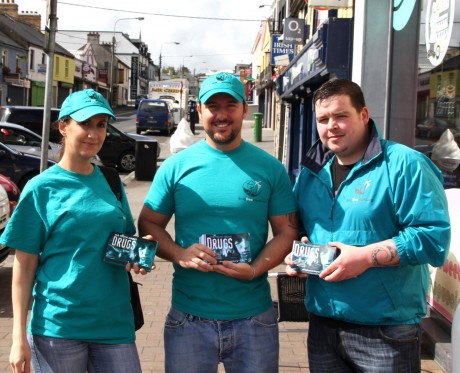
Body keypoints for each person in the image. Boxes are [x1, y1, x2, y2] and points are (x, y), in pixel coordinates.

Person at [285, 78, 451, 372]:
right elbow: (301, 233)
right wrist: (298, 253)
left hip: (386, 332)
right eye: (323, 119)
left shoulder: (405, 165)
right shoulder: (310, 174)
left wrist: (364, 257)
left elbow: (432, 239)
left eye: (341, 116)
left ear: (363, 115)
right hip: (323, 327)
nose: (331, 126)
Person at [138, 72, 298, 373]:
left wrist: (254, 269)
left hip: (254, 317)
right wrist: (180, 254)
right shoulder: (176, 167)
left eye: (230, 105)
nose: (222, 115)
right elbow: (148, 223)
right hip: (189, 319)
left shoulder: (270, 168)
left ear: (244, 110)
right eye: (213, 106)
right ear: (199, 110)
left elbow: (287, 231)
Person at [1, 89, 150, 373]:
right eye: (85, 123)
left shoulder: (110, 180)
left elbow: (121, 241)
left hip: (114, 323)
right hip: (58, 328)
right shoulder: (41, 188)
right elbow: (24, 266)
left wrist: (137, 252)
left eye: (101, 125)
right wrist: (18, 337)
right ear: (63, 127)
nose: (93, 134)